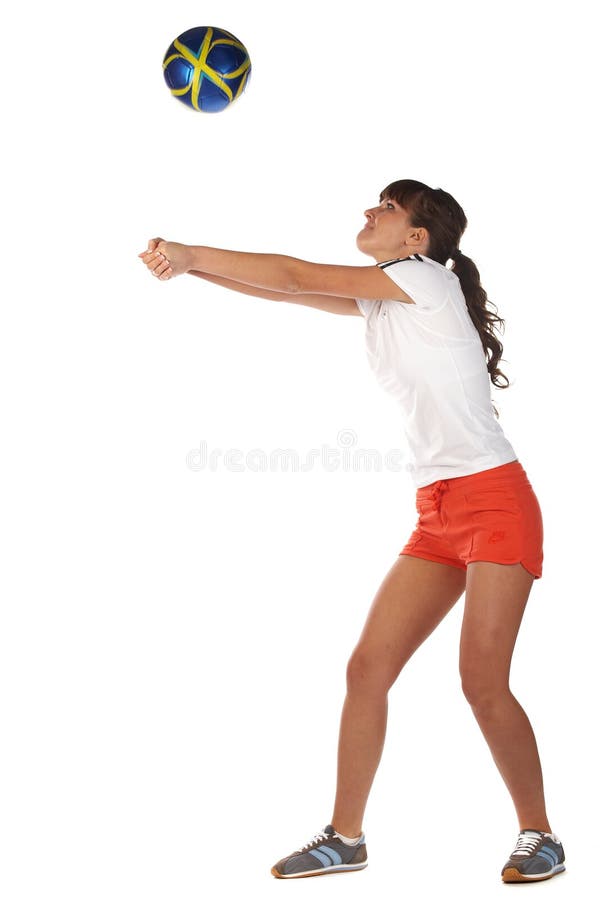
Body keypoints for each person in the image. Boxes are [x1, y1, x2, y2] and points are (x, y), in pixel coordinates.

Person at [138, 179, 565, 884]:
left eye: (387, 209)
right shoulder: (388, 292)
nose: (370, 212)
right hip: (438, 510)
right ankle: (346, 837)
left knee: (482, 682)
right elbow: (287, 292)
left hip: (496, 503)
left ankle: (540, 834)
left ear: (415, 240)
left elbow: (296, 272)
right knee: (368, 667)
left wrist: (192, 249)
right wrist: (193, 269)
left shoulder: (423, 281)